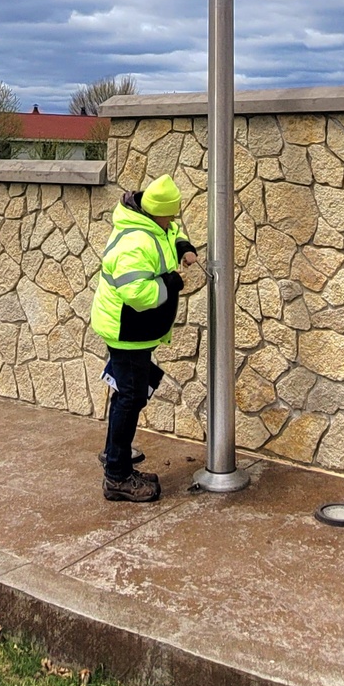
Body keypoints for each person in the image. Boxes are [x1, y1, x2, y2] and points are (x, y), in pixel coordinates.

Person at [90, 173, 199, 503]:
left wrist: (184, 247)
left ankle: (115, 456)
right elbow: (136, 292)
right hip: (127, 332)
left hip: (134, 333)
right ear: (157, 211)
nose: (174, 220)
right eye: (171, 214)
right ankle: (117, 477)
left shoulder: (155, 224)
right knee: (131, 397)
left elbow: (171, 234)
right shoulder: (135, 242)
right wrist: (173, 283)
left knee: (128, 392)